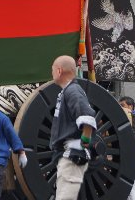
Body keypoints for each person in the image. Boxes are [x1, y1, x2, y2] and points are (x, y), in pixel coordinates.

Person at [50, 55, 97, 200]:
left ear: (58, 71)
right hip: (67, 156)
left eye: (52, 70)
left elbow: (87, 117)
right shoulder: (69, 91)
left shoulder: (73, 91)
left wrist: (83, 141)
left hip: (71, 157)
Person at [119, 96, 135, 200]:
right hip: (130, 157)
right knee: (134, 188)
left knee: (134, 188)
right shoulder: (125, 121)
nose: (120, 108)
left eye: (122, 106)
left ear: (130, 106)